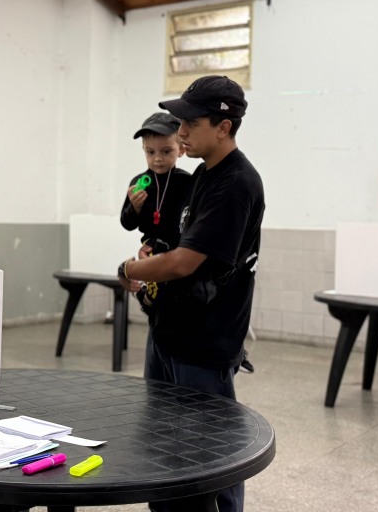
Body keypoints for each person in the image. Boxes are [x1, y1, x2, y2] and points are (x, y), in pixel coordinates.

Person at [116, 75, 265, 512]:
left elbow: (185, 261)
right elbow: (180, 241)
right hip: (169, 330)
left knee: (212, 450)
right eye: (179, 123)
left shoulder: (236, 183)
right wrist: (153, 249)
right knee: (164, 439)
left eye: (190, 124)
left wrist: (130, 269)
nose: (179, 133)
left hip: (205, 341)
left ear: (223, 126)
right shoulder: (202, 174)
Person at [120, 111, 192, 313]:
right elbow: (127, 223)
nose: (157, 159)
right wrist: (134, 207)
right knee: (155, 304)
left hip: (178, 252)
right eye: (150, 152)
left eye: (166, 151)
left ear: (181, 150)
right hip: (151, 250)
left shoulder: (187, 182)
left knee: (176, 303)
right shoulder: (139, 183)